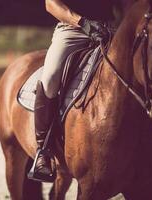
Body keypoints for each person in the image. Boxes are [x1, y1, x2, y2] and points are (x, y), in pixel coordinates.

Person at [28, 0, 115, 182]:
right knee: (50, 78)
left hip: (111, 30)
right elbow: (51, 4)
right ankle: (43, 150)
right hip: (73, 30)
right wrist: (83, 23)